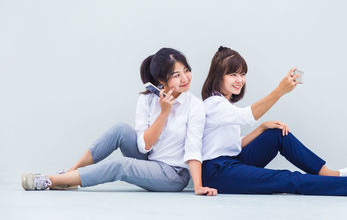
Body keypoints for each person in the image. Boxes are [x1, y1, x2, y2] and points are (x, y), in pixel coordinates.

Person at [22, 48, 217, 196]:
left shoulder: (195, 106)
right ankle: (69, 175)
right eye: (176, 75)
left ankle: (51, 180)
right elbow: (143, 146)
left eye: (186, 70)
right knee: (120, 130)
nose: (185, 78)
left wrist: (198, 186)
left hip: (172, 174)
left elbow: (193, 149)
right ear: (161, 79)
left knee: (121, 166)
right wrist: (164, 112)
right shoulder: (147, 100)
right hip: (149, 159)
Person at [200, 46, 347, 197]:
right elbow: (247, 116)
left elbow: (233, 145)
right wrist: (280, 91)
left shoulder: (224, 104)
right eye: (233, 74)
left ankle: (331, 174)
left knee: (277, 133)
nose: (240, 80)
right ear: (218, 77)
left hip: (232, 161)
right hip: (217, 173)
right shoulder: (213, 104)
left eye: (242, 74)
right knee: (285, 179)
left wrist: (262, 128)